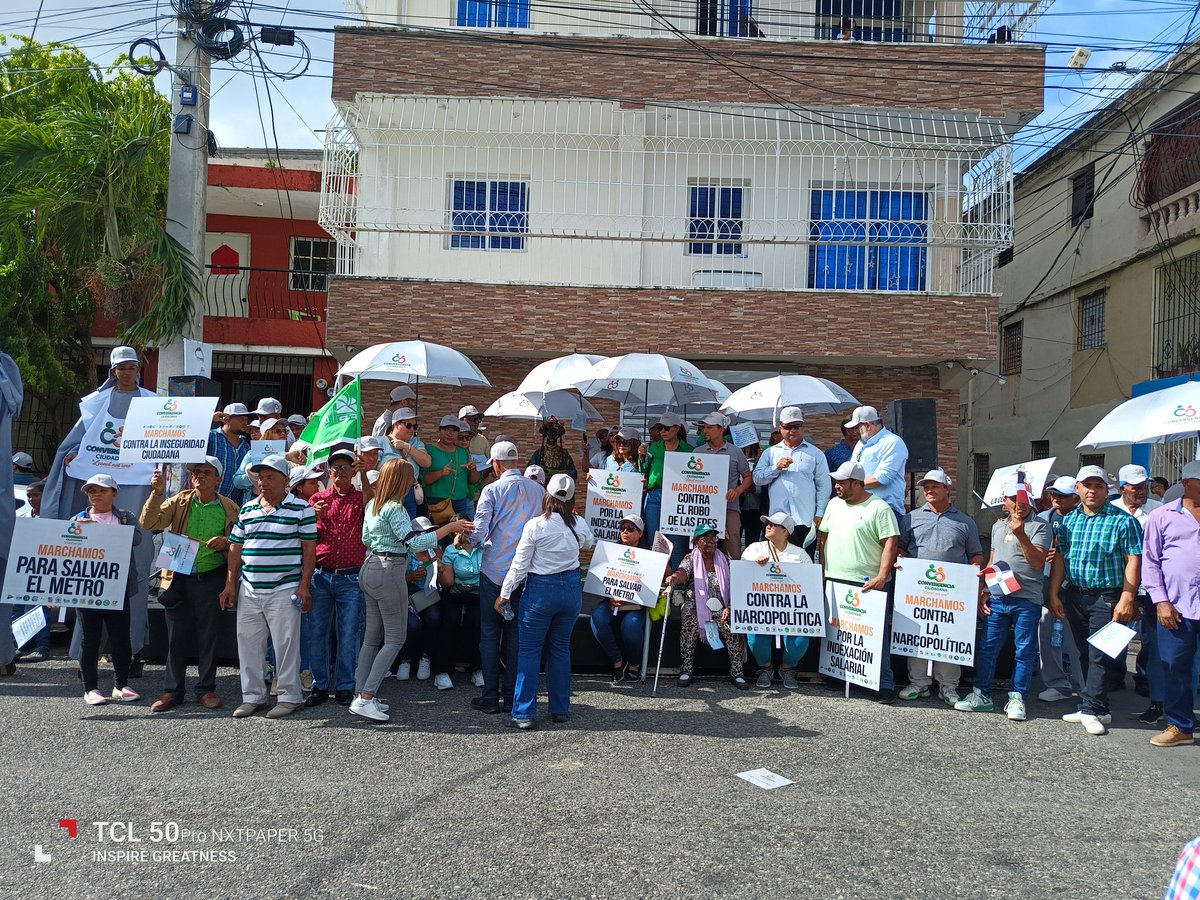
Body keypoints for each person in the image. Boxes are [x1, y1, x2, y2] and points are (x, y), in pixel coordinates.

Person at [353, 460, 471, 722]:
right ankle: (366, 697)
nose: (412, 484)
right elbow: (415, 541)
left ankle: (361, 694)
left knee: (372, 638)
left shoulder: (373, 504)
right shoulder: (394, 508)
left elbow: (365, 539)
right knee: (395, 638)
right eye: (410, 479)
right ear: (400, 480)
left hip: (370, 566)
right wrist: (449, 528)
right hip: (389, 569)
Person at [220, 454, 318, 720]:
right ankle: (252, 697)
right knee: (248, 643)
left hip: (284, 587)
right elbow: (235, 548)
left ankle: (289, 696)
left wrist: (304, 586)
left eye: (270, 477)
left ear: (286, 480)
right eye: (261, 477)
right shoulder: (248, 509)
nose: (264, 482)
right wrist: (230, 584)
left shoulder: (301, 508)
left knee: (286, 644)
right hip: (249, 587)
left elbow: (310, 550)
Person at [1049, 465, 1143, 736]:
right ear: (1077, 488)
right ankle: (1098, 707)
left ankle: (1090, 708)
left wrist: (1128, 596)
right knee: (1081, 652)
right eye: (1087, 485)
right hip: (1076, 595)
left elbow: (1133, 560)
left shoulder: (1123, 521)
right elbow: (1059, 560)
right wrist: (1054, 593)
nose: (1092, 490)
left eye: (1098, 486)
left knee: (1099, 654)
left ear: (1106, 490)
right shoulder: (1068, 521)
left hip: (1108, 596)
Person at [140, 456, 239, 712]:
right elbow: (149, 523)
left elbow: (241, 543)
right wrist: (156, 493)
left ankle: (206, 690)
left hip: (212, 577)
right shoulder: (179, 501)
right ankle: (173, 691)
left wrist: (227, 541)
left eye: (206, 472)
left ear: (218, 479)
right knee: (176, 638)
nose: (199, 475)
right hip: (178, 578)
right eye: (196, 471)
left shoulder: (230, 508)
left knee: (209, 636)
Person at [499, 473, 595, 729]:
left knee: (529, 651)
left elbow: (519, 566)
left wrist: (505, 593)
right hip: (571, 590)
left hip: (541, 590)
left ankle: (524, 713)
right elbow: (589, 542)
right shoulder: (579, 523)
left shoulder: (535, 525)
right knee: (560, 649)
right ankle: (560, 709)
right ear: (571, 498)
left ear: (547, 495)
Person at [954, 479, 1053, 721]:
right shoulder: (998, 527)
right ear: (1005, 501)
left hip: (1027, 598)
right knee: (988, 647)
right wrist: (984, 588)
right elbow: (993, 560)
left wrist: (1021, 534)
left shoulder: (1040, 526)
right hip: (998, 595)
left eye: (1022, 498)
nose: (1018, 503)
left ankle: (1017, 697)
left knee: (1024, 649)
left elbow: (1038, 562)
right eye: (1012, 498)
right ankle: (981, 694)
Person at [896, 469, 983, 705]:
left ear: (947, 489)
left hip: (950, 594)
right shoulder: (911, 518)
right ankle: (918, 683)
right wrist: (901, 564)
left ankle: (948, 686)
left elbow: (975, 555)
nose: (929, 490)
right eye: (926, 487)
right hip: (917, 590)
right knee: (917, 635)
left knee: (948, 635)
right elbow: (902, 549)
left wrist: (972, 578)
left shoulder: (965, 522)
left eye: (935, 486)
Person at [470, 440, 545, 713]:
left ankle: (490, 697)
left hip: (495, 570)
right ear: (515, 461)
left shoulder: (491, 490)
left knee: (490, 633)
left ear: (496, 464)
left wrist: (463, 535)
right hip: (525, 572)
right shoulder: (538, 490)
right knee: (516, 635)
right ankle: (513, 696)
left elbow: (479, 533)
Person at [817, 461, 901, 700]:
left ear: (856, 482)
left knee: (873, 635)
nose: (836, 486)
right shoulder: (834, 504)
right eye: (836, 482)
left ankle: (883, 683)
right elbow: (823, 539)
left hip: (866, 583)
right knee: (839, 632)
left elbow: (890, 542)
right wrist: (822, 573)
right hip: (834, 579)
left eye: (841, 482)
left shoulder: (879, 508)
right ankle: (838, 674)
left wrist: (882, 576)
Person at [300, 448, 367, 708]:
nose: (340, 472)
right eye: (336, 468)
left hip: (351, 578)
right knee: (317, 632)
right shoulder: (317, 499)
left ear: (353, 471)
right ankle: (319, 685)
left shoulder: (361, 498)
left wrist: (367, 476)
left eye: (346, 468)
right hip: (321, 575)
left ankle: (345, 686)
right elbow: (305, 536)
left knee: (348, 633)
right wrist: (312, 516)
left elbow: (374, 506)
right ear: (329, 472)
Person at [1142, 460, 1200, 747]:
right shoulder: (1162, 516)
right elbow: (1151, 563)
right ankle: (1180, 726)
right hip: (1177, 606)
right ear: (1187, 483)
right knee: (1176, 667)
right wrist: (1161, 602)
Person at [74, 474, 143, 705]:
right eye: (91, 490)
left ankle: (121, 685)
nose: (96, 494)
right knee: (89, 639)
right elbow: (65, 550)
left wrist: (104, 532)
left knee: (121, 637)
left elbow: (137, 539)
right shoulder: (78, 519)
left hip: (117, 587)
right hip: (88, 588)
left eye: (102, 490)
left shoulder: (125, 517)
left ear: (114, 493)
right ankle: (90, 688)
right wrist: (77, 531)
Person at [1112, 464, 1166, 725]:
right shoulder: (1112, 511)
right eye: (1135, 487)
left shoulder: (1158, 509)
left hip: (1151, 586)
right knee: (1117, 630)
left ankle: (1144, 677)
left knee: (1149, 637)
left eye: (1144, 486)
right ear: (1123, 488)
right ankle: (1115, 673)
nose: (1141, 491)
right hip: (1119, 583)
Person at [667, 524, 748, 689]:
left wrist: (730, 606)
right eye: (706, 538)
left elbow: (736, 584)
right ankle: (687, 669)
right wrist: (675, 577)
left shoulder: (725, 559)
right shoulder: (690, 558)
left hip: (721, 607)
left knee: (732, 626)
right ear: (697, 542)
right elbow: (683, 571)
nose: (711, 541)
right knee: (689, 625)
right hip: (696, 606)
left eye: (713, 538)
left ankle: (737, 672)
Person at [743, 511, 810, 689]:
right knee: (756, 639)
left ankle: (787, 669)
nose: (768, 526)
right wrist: (753, 563)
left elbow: (810, 583)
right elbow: (741, 573)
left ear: (785, 531)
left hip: (791, 609)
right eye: (767, 523)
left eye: (774, 524)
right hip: (761, 607)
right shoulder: (753, 549)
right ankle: (765, 668)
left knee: (800, 641)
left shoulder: (800, 555)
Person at [752, 406, 830, 548]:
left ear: (802, 427)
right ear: (780, 428)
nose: (793, 430)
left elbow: (824, 485)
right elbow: (757, 478)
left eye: (797, 426)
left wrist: (819, 512)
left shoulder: (816, 454)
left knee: (805, 563)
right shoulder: (771, 453)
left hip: (804, 519)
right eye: (788, 427)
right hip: (777, 520)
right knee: (778, 564)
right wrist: (776, 468)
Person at [1036, 476, 1085, 702]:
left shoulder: (1084, 519)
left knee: (1077, 644)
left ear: (1075, 497)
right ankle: (1058, 685)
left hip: (1075, 590)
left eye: (1062, 495)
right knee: (1047, 638)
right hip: (1047, 587)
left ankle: (1087, 689)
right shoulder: (1042, 518)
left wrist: (1062, 554)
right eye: (1053, 493)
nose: (1056, 498)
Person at [590, 513, 651, 684]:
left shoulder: (650, 554)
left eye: (631, 529)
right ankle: (617, 661)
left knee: (630, 625)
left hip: (637, 605)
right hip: (612, 601)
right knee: (598, 619)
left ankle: (634, 665)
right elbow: (603, 580)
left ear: (640, 533)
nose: (625, 532)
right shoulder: (611, 552)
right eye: (622, 528)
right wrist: (610, 597)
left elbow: (655, 582)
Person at [693, 412, 753, 561]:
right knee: (701, 543)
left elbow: (748, 476)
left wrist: (738, 490)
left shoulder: (735, 452)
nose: (705, 431)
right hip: (703, 507)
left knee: (732, 542)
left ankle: (733, 578)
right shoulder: (697, 452)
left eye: (709, 427)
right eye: (704, 428)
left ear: (721, 430)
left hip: (730, 507)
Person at [642, 412, 692, 561]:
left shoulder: (688, 450)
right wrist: (641, 457)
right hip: (654, 495)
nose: (662, 431)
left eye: (666, 428)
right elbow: (644, 470)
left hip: (678, 497)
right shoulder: (652, 448)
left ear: (677, 428)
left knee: (677, 542)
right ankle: (656, 580)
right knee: (655, 540)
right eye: (660, 428)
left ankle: (676, 582)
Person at [438, 526, 484, 688]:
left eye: (465, 530)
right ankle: (442, 671)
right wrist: (445, 565)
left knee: (477, 620)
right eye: (458, 531)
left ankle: (478, 668)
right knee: (449, 621)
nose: (462, 534)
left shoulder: (484, 547)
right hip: (455, 592)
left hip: (478, 593)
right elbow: (447, 583)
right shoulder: (450, 550)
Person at [847, 405, 909, 520]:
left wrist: (849, 486)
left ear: (868, 425)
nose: (854, 432)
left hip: (886, 511)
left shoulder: (892, 442)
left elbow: (881, 478)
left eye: (856, 428)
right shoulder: (861, 443)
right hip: (861, 508)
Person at [423, 416, 479, 522]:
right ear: (439, 430)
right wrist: (440, 473)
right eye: (446, 429)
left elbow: (473, 481)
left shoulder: (463, 452)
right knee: (438, 536)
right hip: (437, 502)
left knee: (460, 537)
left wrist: (473, 470)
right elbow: (424, 480)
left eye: (454, 430)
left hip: (460, 502)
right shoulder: (429, 450)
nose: (450, 433)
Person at [233, 417, 290, 496]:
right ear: (267, 434)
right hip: (257, 499)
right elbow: (237, 481)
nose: (283, 433)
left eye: (285, 431)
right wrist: (256, 476)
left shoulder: (292, 453)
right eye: (278, 431)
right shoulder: (252, 453)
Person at [529, 418, 577, 484]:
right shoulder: (538, 453)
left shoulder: (564, 454)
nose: (552, 436)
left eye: (555, 433)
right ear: (546, 435)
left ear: (558, 436)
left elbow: (573, 473)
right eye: (550, 433)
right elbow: (529, 471)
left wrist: (558, 473)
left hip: (559, 485)